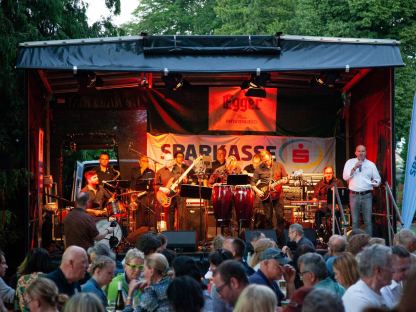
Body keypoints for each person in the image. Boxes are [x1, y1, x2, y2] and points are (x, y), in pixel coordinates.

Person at [342, 145, 381, 235]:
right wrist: (354, 168)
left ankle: (368, 245)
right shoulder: (350, 162)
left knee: (367, 221)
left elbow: (378, 180)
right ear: (355, 153)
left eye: (363, 151)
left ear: (366, 153)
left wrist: (374, 182)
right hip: (354, 195)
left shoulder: (371, 164)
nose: (361, 153)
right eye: (359, 151)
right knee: (355, 221)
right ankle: (355, 243)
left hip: (367, 195)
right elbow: (345, 177)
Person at [342, 244, 392, 312]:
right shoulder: (357, 298)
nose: (393, 270)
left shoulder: (383, 291)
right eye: (390, 266)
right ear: (378, 270)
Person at [251, 150, 288, 239]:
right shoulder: (259, 168)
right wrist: (258, 191)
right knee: (268, 218)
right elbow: (252, 183)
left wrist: (285, 180)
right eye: (264, 161)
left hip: (278, 195)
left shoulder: (279, 165)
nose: (266, 162)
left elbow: (285, 178)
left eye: (267, 160)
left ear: (270, 157)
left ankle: (281, 239)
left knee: (280, 217)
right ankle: (270, 239)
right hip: (266, 197)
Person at [312, 166, 344, 231]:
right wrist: (315, 200)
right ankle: (319, 232)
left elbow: (342, 196)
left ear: (333, 173)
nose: (328, 175)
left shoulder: (338, 182)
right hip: (323, 208)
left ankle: (337, 232)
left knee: (336, 214)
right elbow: (314, 196)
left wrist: (338, 205)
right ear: (324, 174)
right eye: (327, 173)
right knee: (317, 213)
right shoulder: (320, 184)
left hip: (334, 208)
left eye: (330, 173)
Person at [130, 155, 155, 228]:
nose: (146, 163)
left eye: (147, 161)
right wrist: (143, 168)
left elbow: (153, 182)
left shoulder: (151, 171)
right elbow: (135, 178)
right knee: (140, 217)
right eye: (144, 161)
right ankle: (139, 233)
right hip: (138, 196)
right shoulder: (134, 170)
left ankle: (151, 232)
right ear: (139, 162)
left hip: (148, 196)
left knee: (150, 217)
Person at [155, 153, 178, 230]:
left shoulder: (180, 170)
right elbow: (155, 185)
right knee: (169, 218)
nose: (166, 162)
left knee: (181, 217)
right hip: (166, 197)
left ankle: (181, 237)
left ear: (172, 160)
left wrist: (185, 180)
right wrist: (162, 189)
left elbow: (185, 183)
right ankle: (170, 235)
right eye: (165, 160)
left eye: (168, 160)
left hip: (178, 196)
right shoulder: (160, 172)